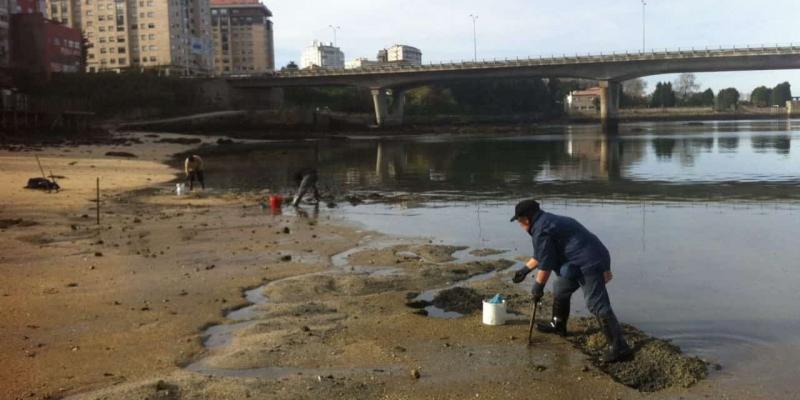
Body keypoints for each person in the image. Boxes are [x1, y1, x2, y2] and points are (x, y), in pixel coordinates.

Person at [510, 199, 632, 363]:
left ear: (526, 218)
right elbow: (543, 254)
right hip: (577, 261)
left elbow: (545, 265)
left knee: (596, 304)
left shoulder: (541, 229)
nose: (519, 224)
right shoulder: (545, 222)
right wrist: (525, 270)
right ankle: (558, 325)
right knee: (560, 287)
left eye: (519, 220)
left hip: (590, 262)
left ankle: (619, 347)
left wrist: (538, 287)